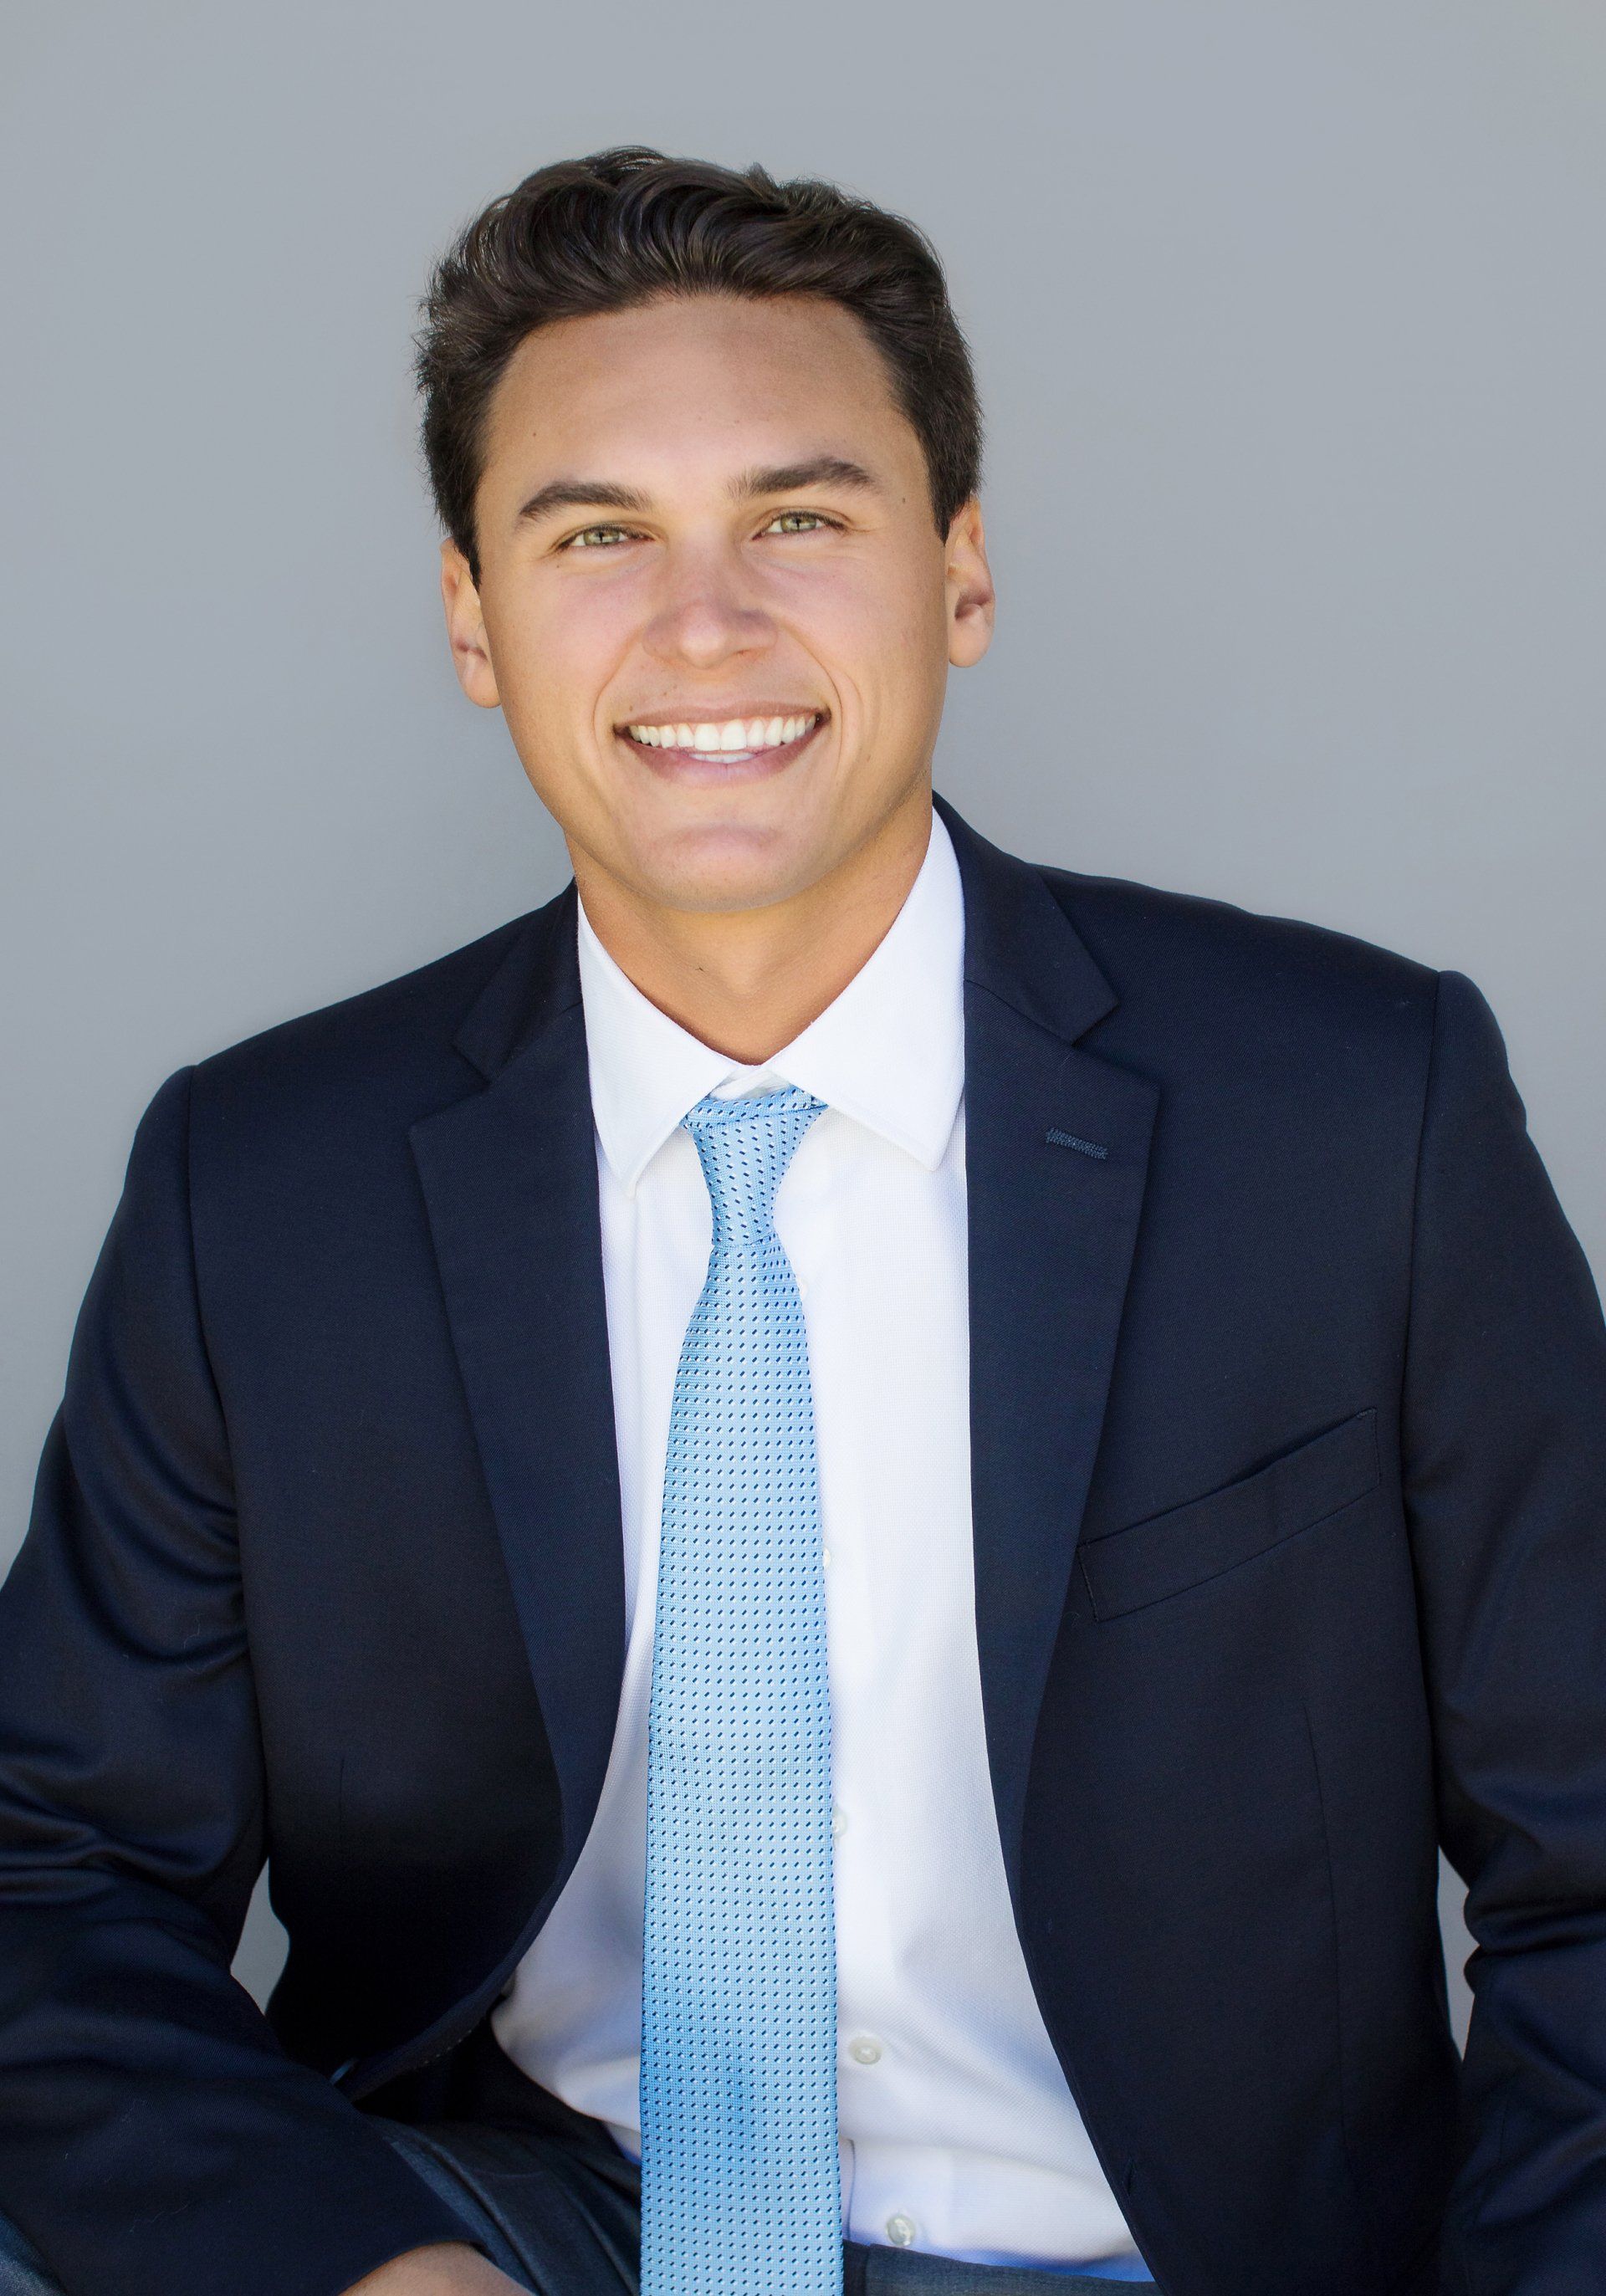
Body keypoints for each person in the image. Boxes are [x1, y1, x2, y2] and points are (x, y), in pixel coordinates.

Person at [0, 145, 1603, 2296]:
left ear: (960, 573)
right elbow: (54, 1874)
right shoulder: (257, 1187)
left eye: (800, 518)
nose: (705, 625)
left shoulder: (1352, 1110)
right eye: (597, 537)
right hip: (551, 2224)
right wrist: (364, 2274)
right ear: (473, 615)